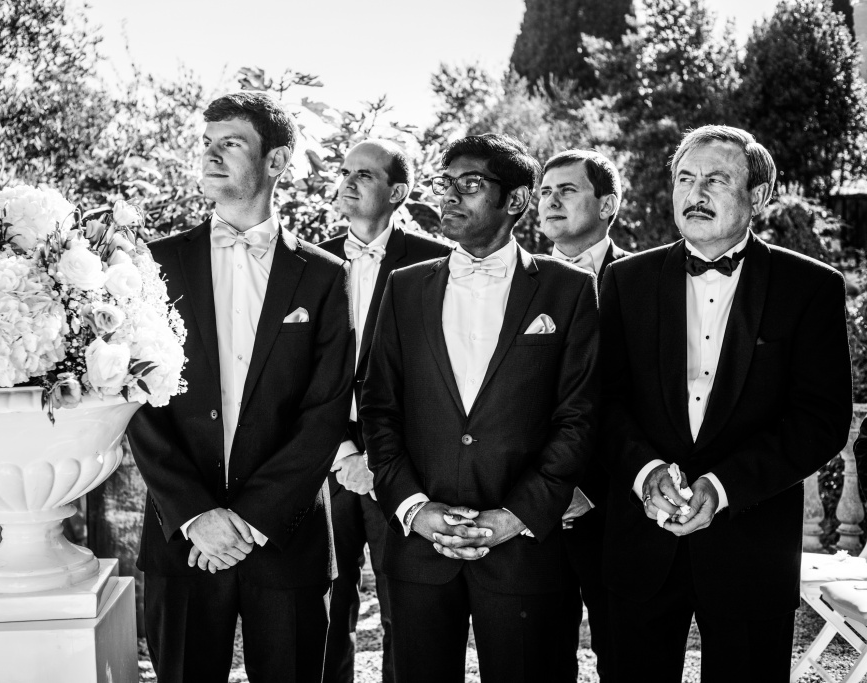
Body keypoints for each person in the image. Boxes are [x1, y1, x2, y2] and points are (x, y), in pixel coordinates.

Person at [600, 125, 852, 682]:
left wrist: (722, 486)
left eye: (715, 180)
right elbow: (603, 402)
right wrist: (643, 472)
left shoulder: (810, 286)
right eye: (685, 179)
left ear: (757, 196)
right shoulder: (624, 281)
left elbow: (821, 419)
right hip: (642, 546)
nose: (696, 194)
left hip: (753, 549)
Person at [127, 91, 354, 683]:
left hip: (287, 538)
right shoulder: (154, 264)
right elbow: (137, 402)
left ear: (276, 161)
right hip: (183, 538)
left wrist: (251, 521)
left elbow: (326, 409)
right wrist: (195, 514)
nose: (210, 154)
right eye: (206, 142)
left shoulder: (325, 276)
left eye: (231, 143)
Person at [360, 133, 599, 682]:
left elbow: (578, 416)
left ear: (516, 200)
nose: (449, 196)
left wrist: (516, 516)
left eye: (469, 184)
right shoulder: (404, 287)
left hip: (526, 549)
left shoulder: (568, 290)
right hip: (420, 549)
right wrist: (415, 508)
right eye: (445, 184)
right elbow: (379, 409)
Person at [318, 139, 450, 683]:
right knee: (325, 607)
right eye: (345, 171)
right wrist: (342, 451)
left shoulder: (437, 261)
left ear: (397, 193)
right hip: (324, 460)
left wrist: (379, 457)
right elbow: (296, 372)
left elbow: (441, 376)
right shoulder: (309, 260)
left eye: (365, 175)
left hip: (401, 464)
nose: (348, 182)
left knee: (407, 610)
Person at [537, 149, 629, 682]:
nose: (551, 201)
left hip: (616, 508)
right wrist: (545, 487)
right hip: (532, 509)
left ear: (607, 205)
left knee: (625, 655)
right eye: (546, 191)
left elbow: (641, 400)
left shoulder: (643, 282)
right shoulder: (515, 279)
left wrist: (587, 488)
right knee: (538, 660)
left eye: (567, 190)